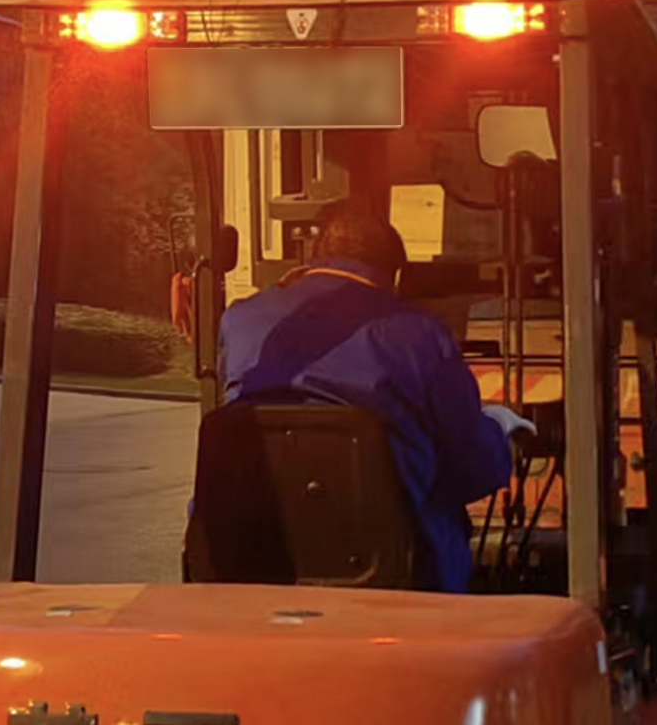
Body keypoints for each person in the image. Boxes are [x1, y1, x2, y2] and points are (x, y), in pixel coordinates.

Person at [216, 201, 528, 593]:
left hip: (247, 561)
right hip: (393, 576)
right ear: (395, 275)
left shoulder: (239, 320)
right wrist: (501, 432)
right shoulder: (420, 334)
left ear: (314, 258)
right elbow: (472, 468)